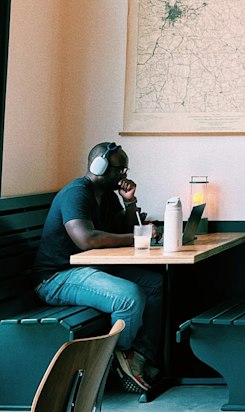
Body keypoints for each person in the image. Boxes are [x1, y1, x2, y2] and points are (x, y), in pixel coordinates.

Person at [33, 142, 163, 394]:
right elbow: (86, 239)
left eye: (125, 170)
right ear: (98, 166)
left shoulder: (107, 196)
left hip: (90, 270)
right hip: (57, 277)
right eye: (118, 170)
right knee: (129, 297)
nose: (123, 176)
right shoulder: (76, 193)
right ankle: (120, 356)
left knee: (154, 284)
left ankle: (139, 356)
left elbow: (124, 230)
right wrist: (138, 237)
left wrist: (130, 202)